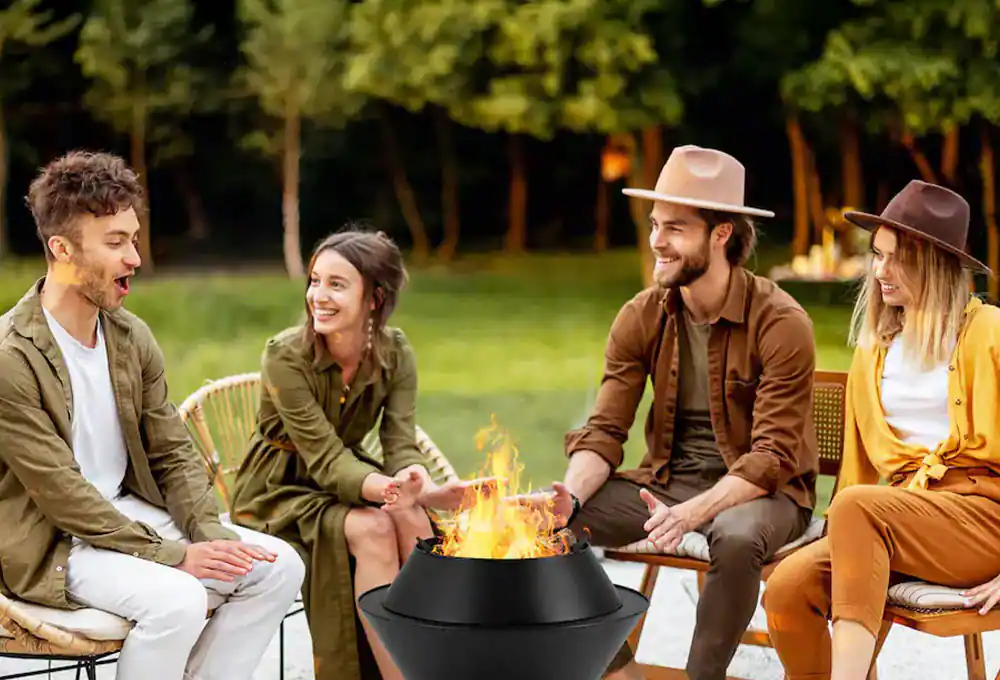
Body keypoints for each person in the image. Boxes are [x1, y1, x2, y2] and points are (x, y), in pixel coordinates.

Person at [0, 150, 306, 680]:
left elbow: (173, 451)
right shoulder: (10, 356)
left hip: (129, 517)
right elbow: (61, 494)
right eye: (115, 243)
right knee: (178, 599)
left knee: (277, 568)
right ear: (62, 249)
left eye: (133, 239)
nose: (134, 258)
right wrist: (172, 556)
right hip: (56, 542)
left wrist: (208, 534)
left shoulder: (130, 336)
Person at [529, 145, 819, 680]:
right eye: (655, 224)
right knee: (544, 527)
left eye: (675, 228)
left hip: (766, 496)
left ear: (722, 234)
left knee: (732, 535)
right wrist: (567, 498)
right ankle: (619, 670)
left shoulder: (782, 322)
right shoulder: (641, 316)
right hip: (666, 483)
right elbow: (604, 433)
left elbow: (770, 459)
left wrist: (693, 514)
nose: (657, 241)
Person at [763, 180, 1000, 680]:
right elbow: (859, 473)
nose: (879, 271)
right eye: (876, 255)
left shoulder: (989, 333)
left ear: (936, 263)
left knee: (857, 507)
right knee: (787, 587)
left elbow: (858, 501)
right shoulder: (875, 350)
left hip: (982, 521)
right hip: (892, 518)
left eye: (896, 259)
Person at [231, 228, 492, 680]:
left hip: (347, 479)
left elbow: (400, 444)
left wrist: (425, 492)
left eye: (337, 284)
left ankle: (446, 660)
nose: (319, 296)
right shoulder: (285, 356)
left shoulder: (396, 353)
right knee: (374, 527)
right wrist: (403, 492)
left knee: (411, 520)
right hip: (277, 489)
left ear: (374, 298)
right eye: (315, 281)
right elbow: (325, 459)